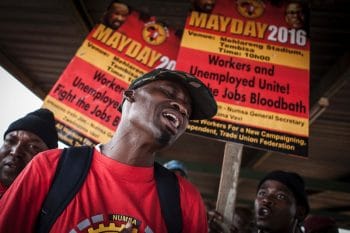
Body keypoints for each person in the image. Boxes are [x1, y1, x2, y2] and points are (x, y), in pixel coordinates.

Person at [0, 68, 217, 232]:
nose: (181, 107)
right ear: (129, 96)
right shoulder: (50, 167)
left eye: (187, 111)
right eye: (169, 93)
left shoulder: (185, 199)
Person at [0, 108, 58, 198]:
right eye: (11, 141)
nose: (15, 152)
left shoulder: (48, 206)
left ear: (49, 161)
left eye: (33, 147)